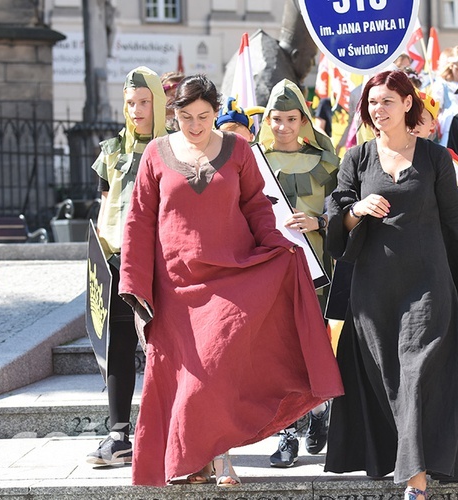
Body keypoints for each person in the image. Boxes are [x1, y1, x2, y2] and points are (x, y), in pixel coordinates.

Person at [117, 74, 343, 487]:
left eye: (204, 116)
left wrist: (279, 248)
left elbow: (257, 205)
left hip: (231, 275)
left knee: (217, 369)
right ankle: (197, 462)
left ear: (216, 113)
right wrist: (135, 284)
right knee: (190, 375)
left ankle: (221, 461)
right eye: (186, 116)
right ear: (174, 114)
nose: (196, 125)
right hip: (173, 286)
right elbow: (138, 221)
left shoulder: (240, 149)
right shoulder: (155, 153)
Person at [323, 70, 458, 500]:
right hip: (373, 292)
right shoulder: (357, 158)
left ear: (408, 104)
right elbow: (335, 217)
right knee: (390, 379)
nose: (378, 110)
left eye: (387, 102)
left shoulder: (433, 158)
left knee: (416, 375)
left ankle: (415, 486)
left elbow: (454, 226)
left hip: (428, 286)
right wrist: (357, 209)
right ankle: (406, 466)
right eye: (372, 103)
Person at [85, 66, 169, 468]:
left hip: (161, 260)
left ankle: (170, 433)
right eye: (130, 103)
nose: (136, 110)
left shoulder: (173, 148)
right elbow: (105, 202)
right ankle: (118, 435)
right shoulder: (112, 150)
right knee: (117, 344)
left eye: (144, 102)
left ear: (159, 102)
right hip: (115, 258)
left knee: (162, 346)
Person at [257, 78, 340, 467]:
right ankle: (287, 432)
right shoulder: (253, 164)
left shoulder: (326, 163)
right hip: (270, 274)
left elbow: (344, 210)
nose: (284, 126)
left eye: (292, 118)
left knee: (316, 347)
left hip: (317, 272)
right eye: (277, 118)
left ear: (304, 120)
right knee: (278, 355)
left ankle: (320, 409)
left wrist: (320, 222)